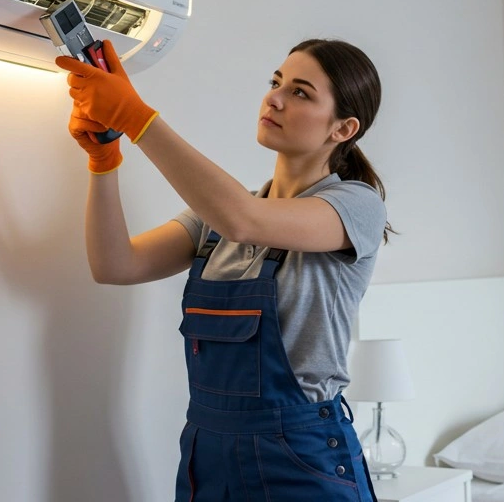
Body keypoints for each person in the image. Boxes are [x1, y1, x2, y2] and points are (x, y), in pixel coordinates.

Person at [57, 37, 391, 502]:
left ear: (343, 128)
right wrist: (103, 162)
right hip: (207, 453)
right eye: (276, 82)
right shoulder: (214, 219)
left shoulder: (356, 206)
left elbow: (244, 220)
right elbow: (115, 264)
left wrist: (135, 117)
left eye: (300, 92)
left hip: (301, 456)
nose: (274, 98)